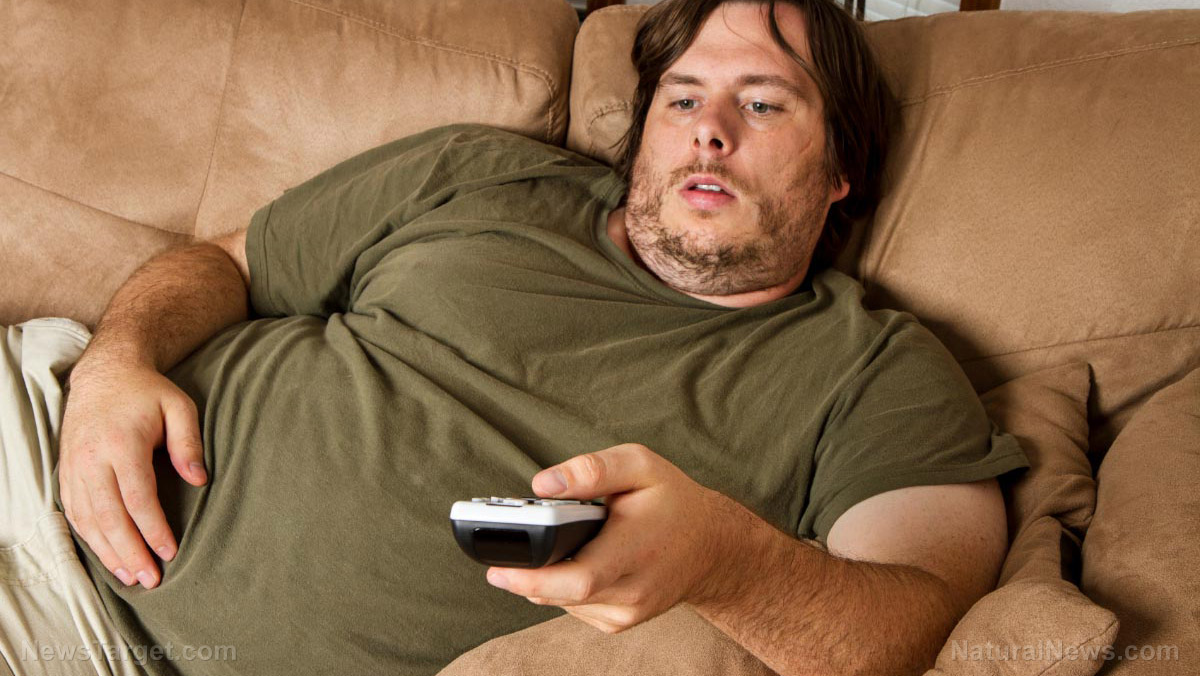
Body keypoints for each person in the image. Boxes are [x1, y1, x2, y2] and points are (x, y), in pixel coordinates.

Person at [24, 0, 1030, 674]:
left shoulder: (872, 368)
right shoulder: (482, 172)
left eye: (762, 103)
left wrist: (726, 561)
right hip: (37, 437)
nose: (708, 129)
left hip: (93, 639)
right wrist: (118, 361)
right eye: (683, 98)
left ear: (843, 166)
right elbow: (227, 264)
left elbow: (924, 623)